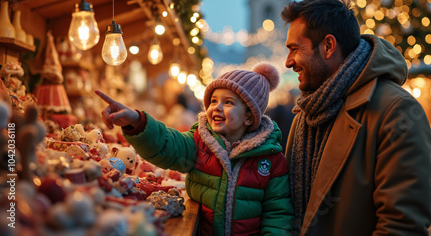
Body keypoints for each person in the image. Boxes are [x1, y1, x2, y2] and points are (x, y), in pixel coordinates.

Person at [280, 0, 431, 235]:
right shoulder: (307, 110)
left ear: (328, 46)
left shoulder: (395, 111)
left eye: (295, 49)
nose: (288, 62)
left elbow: (401, 226)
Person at [95, 63, 294, 235]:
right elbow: (167, 144)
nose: (216, 107)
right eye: (214, 101)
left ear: (249, 117)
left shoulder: (271, 159)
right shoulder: (199, 143)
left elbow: (277, 214)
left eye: (228, 102)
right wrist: (137, 122)